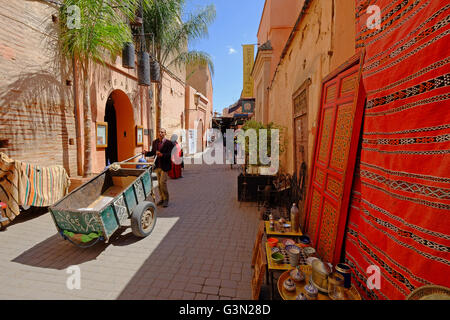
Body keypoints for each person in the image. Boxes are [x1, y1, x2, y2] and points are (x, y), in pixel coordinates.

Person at [143, 128, 174, 207]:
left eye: (162, 132)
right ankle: (162, 199)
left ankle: (166, 199)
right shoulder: (155, 142)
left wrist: (162, 155)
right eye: (159, 132)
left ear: (165, 133)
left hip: (165, 166)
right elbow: (153, 152)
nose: (160, 133)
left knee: (162, 183)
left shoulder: (169, 143)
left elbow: (170, 155)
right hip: (157, 166)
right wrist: (146, 153)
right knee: (159, 184)